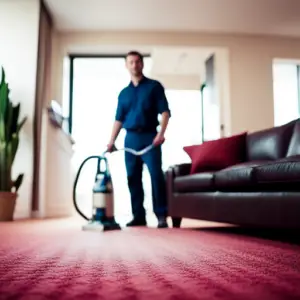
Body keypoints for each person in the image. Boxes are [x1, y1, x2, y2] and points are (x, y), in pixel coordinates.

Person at [107, 51, 171, 228]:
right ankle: (139, 216)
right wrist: (111, 141)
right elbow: (119, 119)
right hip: (131, 139)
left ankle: (161, 215)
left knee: (156, 176)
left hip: (151, 137)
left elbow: (165, 112)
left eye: (137, 62)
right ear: (126, 65)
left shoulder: (154, 87)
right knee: (132, 177)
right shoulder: (124, 94)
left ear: (142, 64)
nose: (134, 65)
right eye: (131, 62)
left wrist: (161, 134)